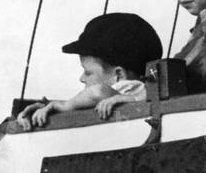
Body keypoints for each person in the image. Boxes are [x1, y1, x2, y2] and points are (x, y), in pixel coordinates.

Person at [16, 13, 162, 128]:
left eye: (88, 72)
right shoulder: (131, 95)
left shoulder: (131, 88)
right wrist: (50, 107)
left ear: (119, 75)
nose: (82, 78)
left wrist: (63, 106)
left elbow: (98, 92)